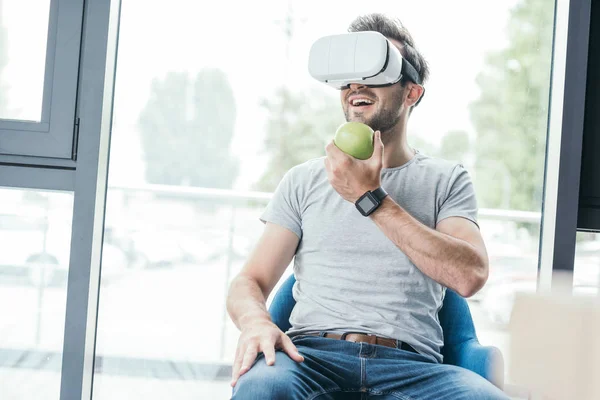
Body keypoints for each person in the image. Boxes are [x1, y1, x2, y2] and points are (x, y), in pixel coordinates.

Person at [226, 13, 509, 400]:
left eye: (376, 72)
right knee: (261, 390)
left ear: (412, 92)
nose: (356, 85)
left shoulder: (447, 180)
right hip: (311, 358)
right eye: (349, 77)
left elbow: (470, 275)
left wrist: (371, 198)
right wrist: (256, 322)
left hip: (413, 369)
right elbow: (248, 282)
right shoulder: (303, 180)